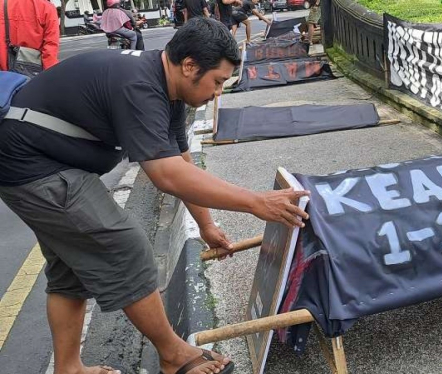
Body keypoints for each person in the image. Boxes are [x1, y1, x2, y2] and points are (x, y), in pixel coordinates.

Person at [0, 17, 309, 374]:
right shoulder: (140, 86)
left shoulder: (171, 89)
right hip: (29, 163)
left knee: (71, 269)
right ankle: (173, 355)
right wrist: (256, 202)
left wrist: (206, 225)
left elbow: (181, 162)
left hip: (42, 158)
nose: (219, 92)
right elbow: (165, 175)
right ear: (190, 66)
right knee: (123, 244)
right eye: (218, 81)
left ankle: (68, 369)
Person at [0, 0, 60, 72]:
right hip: (33, 73)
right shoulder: (46, 7)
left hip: (3, 74)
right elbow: (50, 48)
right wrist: (50, 76)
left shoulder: (2, 4)